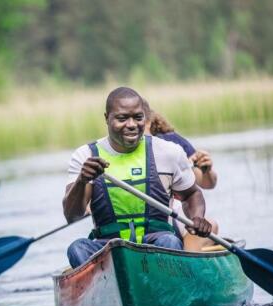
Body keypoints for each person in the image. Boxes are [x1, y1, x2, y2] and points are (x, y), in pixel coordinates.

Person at [63, 87, 212, 268]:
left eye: (138, 117)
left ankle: (163, 285)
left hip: (157, 242)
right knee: (76, 249)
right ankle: (106, 287)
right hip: (108, 247)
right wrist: (82, 181)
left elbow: (191, 194)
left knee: (170, 242)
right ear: (106, 118)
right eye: (122, 118)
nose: (132, 124)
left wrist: (197, 217)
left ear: (145, 118)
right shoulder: (84, 155)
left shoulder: (168, 151)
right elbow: (72, 216)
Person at [142, 99, 220, 251]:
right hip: (147, 213)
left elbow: (207, 183)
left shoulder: (172, 143)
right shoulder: (120, 149)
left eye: (139, 119)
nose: (133, 126)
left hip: (176, 207)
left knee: (210, 225)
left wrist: (205, 170)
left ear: (149, 121)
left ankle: (188, 264)